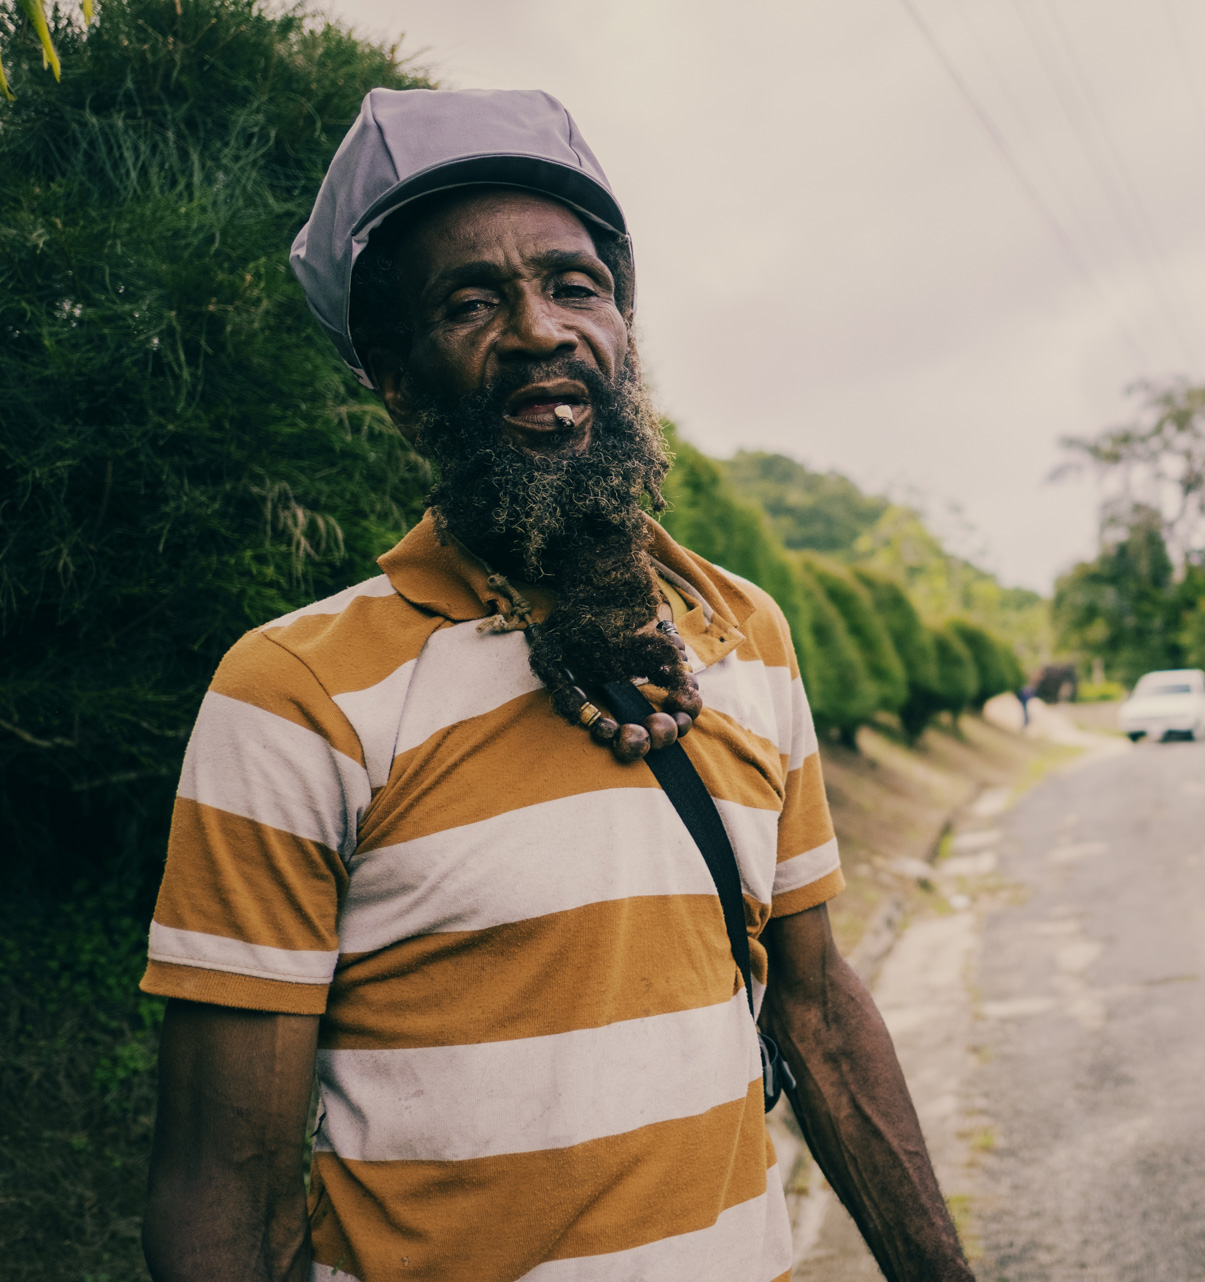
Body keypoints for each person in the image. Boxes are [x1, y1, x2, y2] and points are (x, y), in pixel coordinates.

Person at [139, 88, 972, 1282]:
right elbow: (224, 1187)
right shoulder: (293, 695)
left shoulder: (746, 634)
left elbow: (821, 1018)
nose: (539, 328)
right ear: (395, 377)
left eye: (574, 284)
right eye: (470, 301)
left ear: (623, 329)